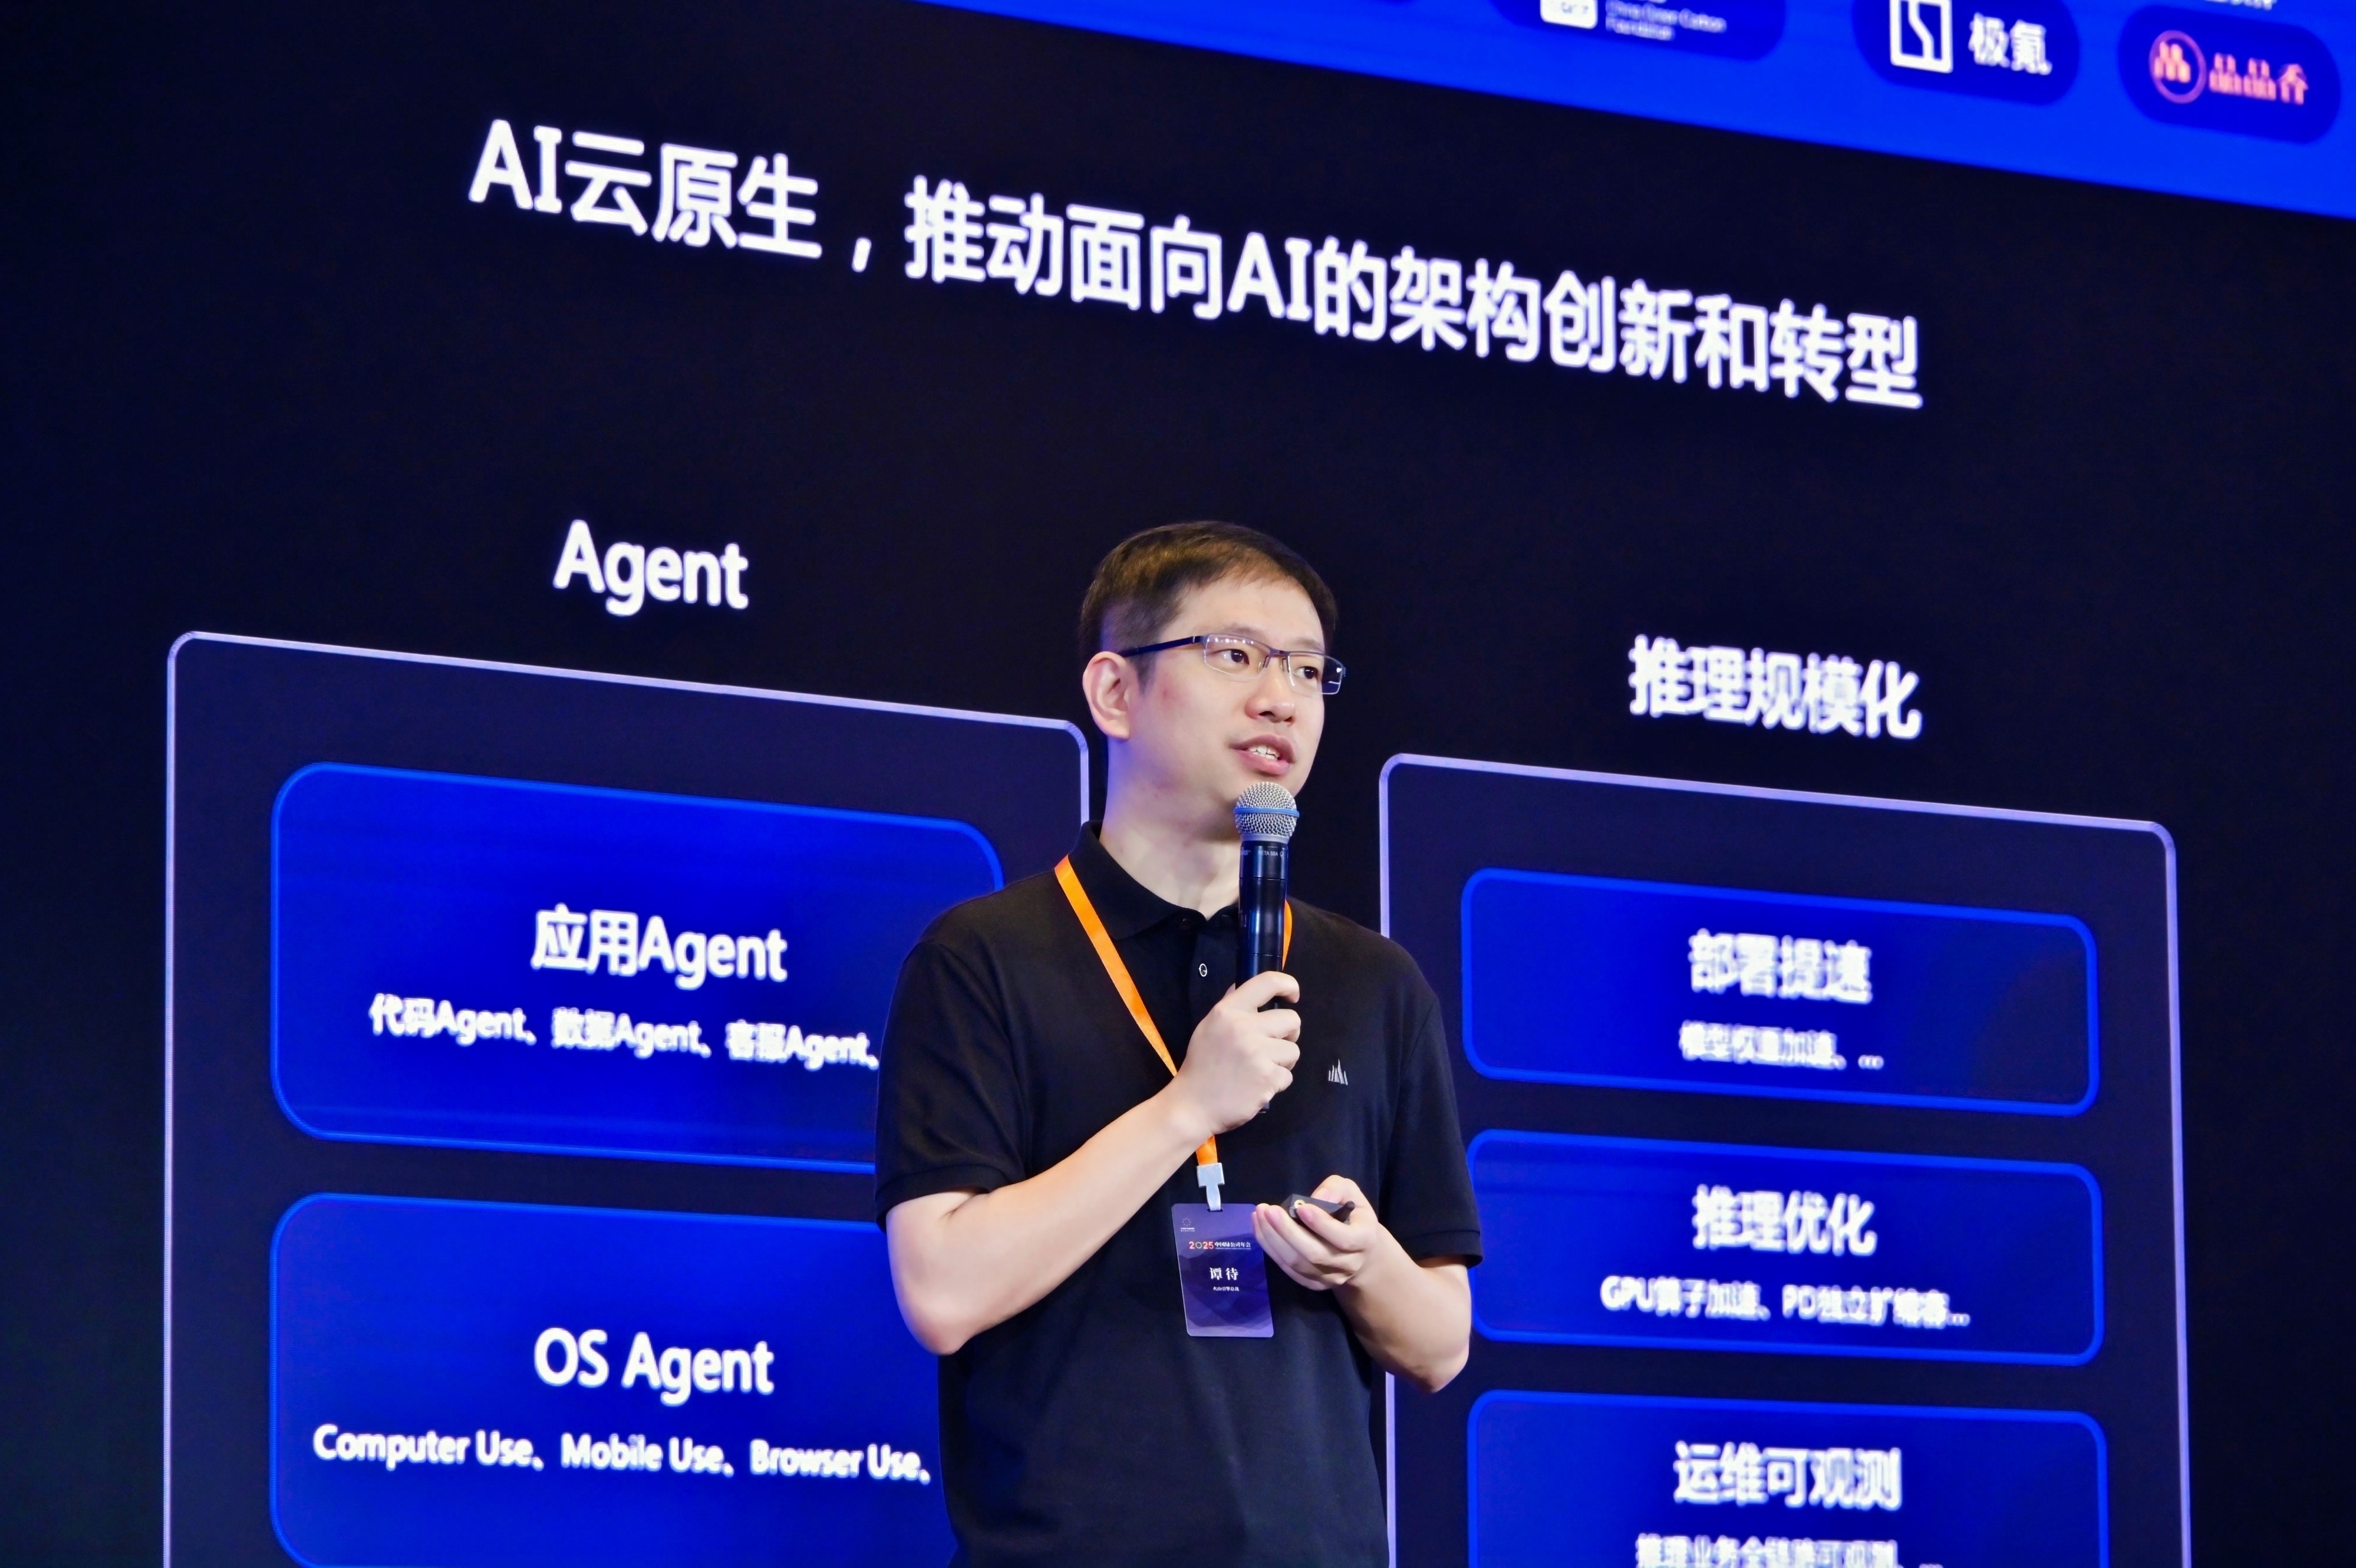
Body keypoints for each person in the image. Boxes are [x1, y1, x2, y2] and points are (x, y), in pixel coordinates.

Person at [876, 522, 1480, 1567]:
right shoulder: (986, 957)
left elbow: (1439, 1346)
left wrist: (1363, 1261)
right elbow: (942, 1293)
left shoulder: (1373, 983)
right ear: (1116, 693)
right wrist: (1185, 1109)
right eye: (1236, 655)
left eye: (1307, 671)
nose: (1280, 699)